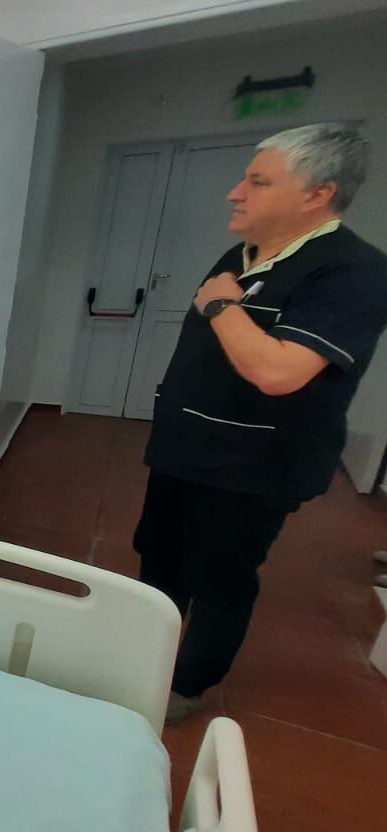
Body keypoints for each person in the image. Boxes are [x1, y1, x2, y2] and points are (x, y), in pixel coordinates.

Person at [134, 124, 387, 723]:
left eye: (257, 181)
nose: (235, 192)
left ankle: (187, 685)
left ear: (318, 194)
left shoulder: (353, 272)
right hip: (184, 447)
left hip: (252, 466)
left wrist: (221, 303)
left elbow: (277, 372)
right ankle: (141, 657)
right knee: (158, 558)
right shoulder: (241, 256)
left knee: (219, 576)